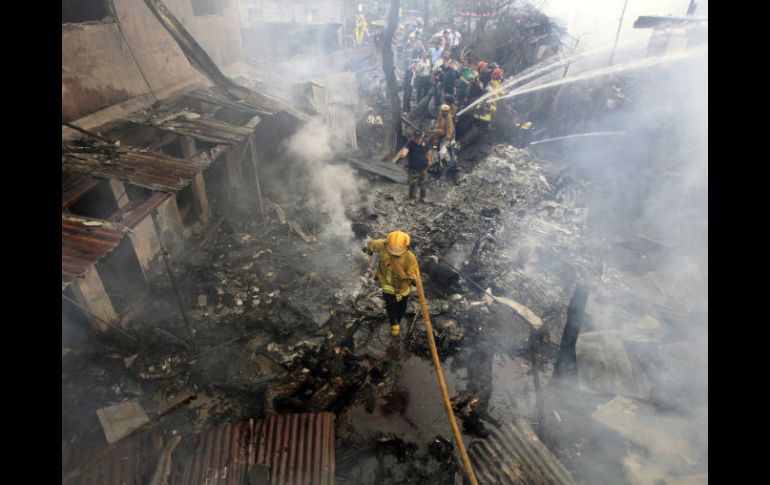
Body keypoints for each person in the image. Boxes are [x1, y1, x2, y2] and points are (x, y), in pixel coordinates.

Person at [363, 231, 420, 337]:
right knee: (391, 304)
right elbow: (371, 245)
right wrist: (368, 251)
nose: (394, 252)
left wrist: (413, 280)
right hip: (386, 281)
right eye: (392, 249)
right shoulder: (381, 244)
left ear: (406, 247)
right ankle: (394, 323)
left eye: (398, 250)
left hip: (402, 286)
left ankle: (398, 319)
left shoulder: (410, 258)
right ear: (387, 243)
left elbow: (413, 274)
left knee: (402, 306)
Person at [397, 131, 433, 203]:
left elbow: (429, 152)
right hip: (413, 167)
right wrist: (403, 155)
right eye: (416, 138)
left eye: (418, 138)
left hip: (423, 167)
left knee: (423, 183)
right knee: (413, 184)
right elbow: (406, 150)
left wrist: (429, 160)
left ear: (421, 137)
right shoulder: (410, 143)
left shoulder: (425, 143)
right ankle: (412, 198)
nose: (417, 139)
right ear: (413, 137)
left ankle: (423, 197)